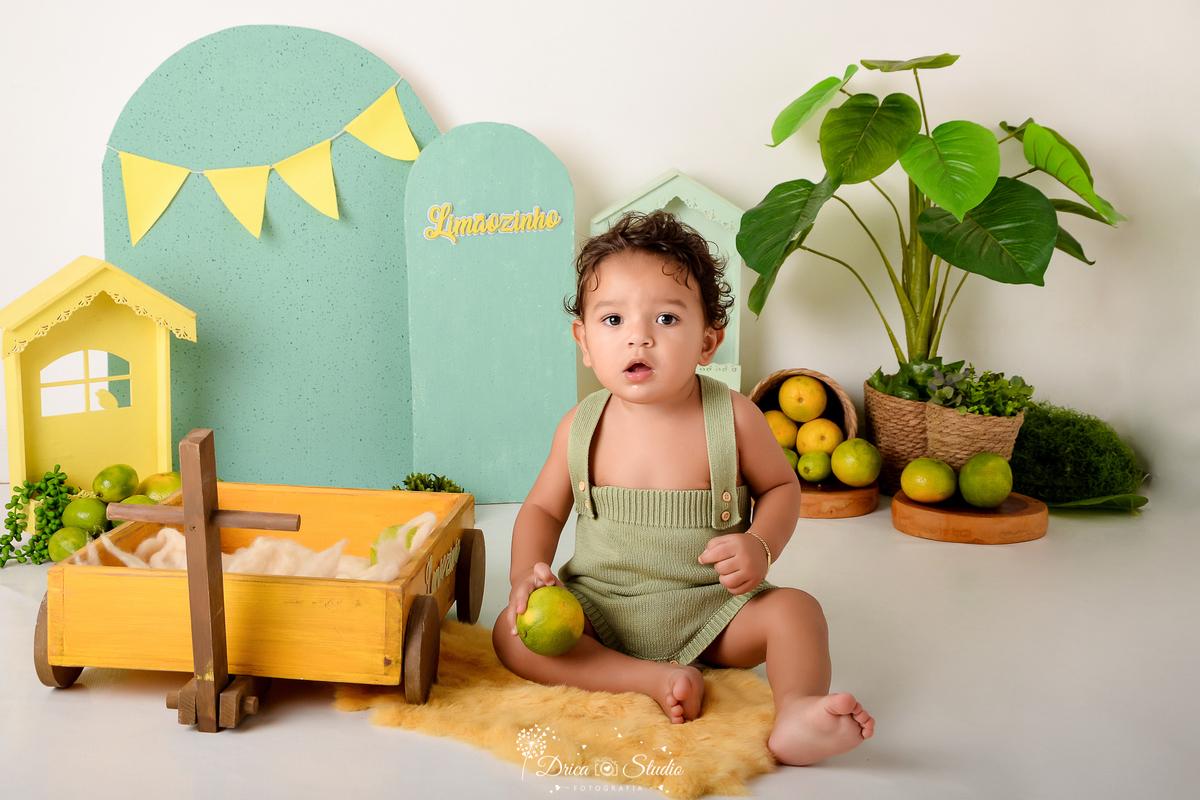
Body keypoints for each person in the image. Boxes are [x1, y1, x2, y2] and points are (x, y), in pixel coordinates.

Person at [492, 210, 874, 765]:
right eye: (613, 320)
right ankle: (645, 678)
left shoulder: (735, 418)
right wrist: (527, 573)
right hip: (599, 609)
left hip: (713, 612)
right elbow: (544, 511)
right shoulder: (579, 425)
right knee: (510, 633)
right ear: (583, 340)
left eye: (667, 319)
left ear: (708, 341)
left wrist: (759, 546)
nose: (639, 337)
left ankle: (798, 710)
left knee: (797, 612)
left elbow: (781, 490)